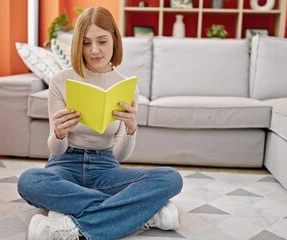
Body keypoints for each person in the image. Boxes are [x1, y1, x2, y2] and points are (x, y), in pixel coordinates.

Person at [17, 6, 183, 240]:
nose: (94, 50)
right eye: (86, 43)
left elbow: (119, 156)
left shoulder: (126, 86)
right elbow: (56, 150)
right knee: (30, 181)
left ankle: (70, 223)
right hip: (65, 164)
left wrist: (131, 129)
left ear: (114, 40)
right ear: (78, 45)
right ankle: (144, 214)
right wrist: (59, 133)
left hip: (105, 167)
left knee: (170, 179)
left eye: (102, 41)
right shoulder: (61, 80)